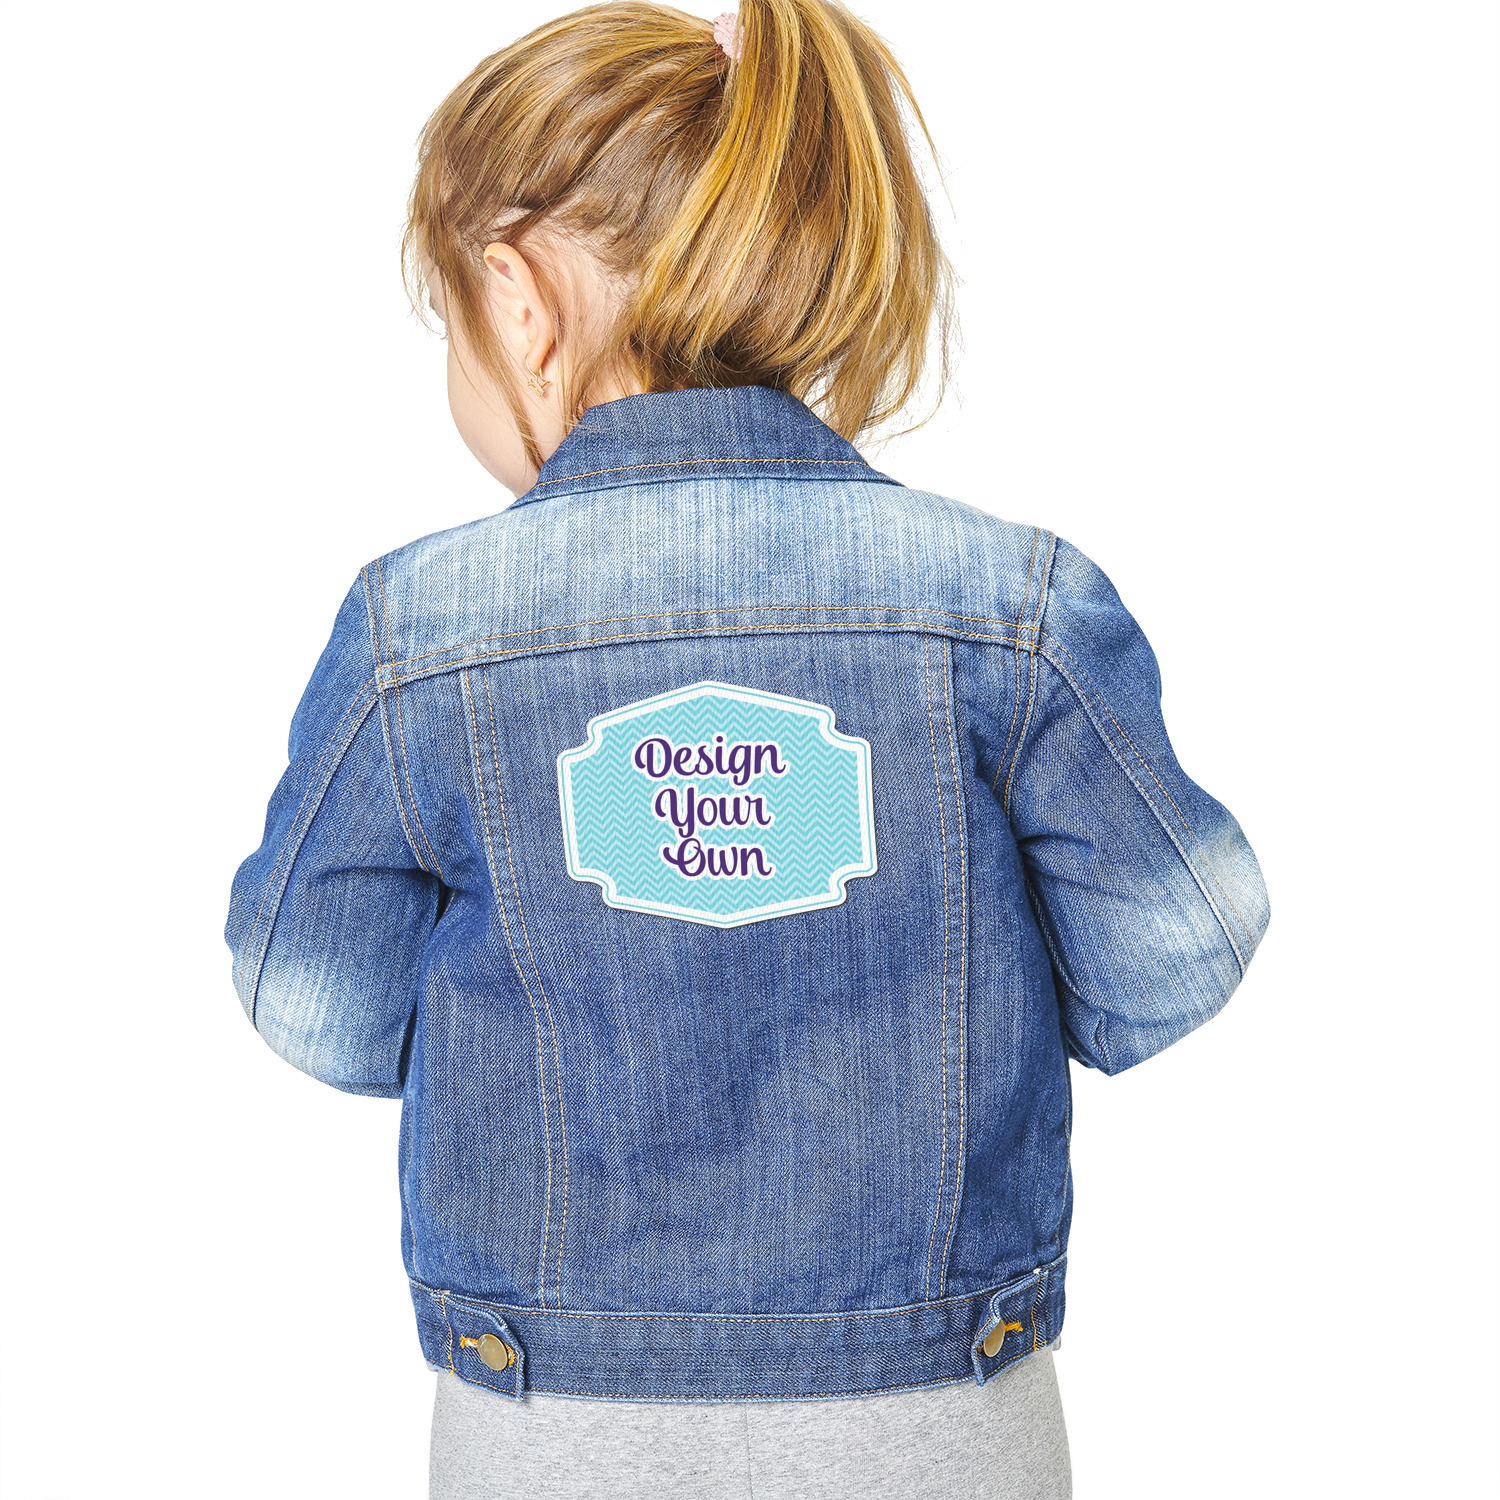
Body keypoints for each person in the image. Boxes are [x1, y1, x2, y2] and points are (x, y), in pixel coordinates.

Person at [224, 2, 1270, 1496]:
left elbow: (310, 998)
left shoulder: (419, 634)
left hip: (549, 1423)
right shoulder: (1010, 606)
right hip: (939, 1417)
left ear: (518, 302)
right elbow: (1175, 955)